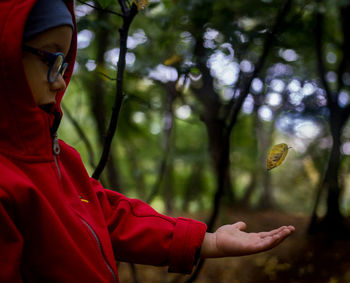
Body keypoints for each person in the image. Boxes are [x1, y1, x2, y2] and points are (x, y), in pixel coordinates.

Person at [0, 0, 295, 282]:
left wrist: (208, 242)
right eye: (51, 59)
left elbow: (110, 217)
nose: (61, 80)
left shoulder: (60, 158)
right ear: (7, 52)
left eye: (65, 64)